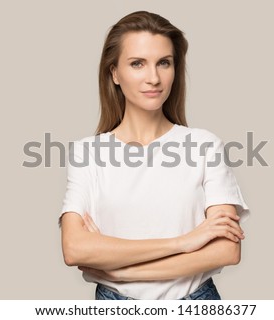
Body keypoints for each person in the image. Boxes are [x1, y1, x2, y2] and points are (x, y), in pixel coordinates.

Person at [58, 11, 250, 300]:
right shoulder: (88, 152)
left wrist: (124, 271)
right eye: (137, 64)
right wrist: (183, 242)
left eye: (164, 63)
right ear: (114, 74)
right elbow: (75, 249)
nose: (154, 78)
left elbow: (226, 249)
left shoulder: (203, 145)